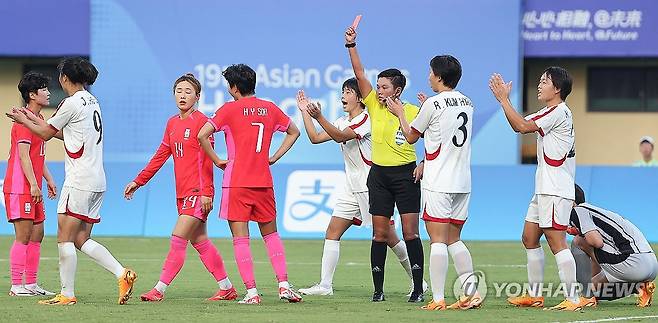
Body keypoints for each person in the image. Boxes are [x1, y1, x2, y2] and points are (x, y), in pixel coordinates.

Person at [5, 57, 137, 306]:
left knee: (64, 238)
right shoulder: (92, 101)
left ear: (65, 78)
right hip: (98, 180)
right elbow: (65, 134)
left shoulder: (70, 103)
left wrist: (24, 120)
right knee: (80, 239)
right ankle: (122, 274)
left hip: (78, 180)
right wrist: (32, 121)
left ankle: (66, 294)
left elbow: (46, 133)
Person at [295, 80, 423, 296]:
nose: (343, 96)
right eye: (342, 91)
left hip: (370, 185)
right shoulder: (343, 120)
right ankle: (325, 285)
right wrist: (305, 113)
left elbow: (339, 136)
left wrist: (319, 117)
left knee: (389, 236)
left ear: (360, 98)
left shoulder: (366, 120)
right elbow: (315, 138)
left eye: (348, 92)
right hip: (350, 186)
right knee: (332, 232)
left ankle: (419, 281)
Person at [124, 74, 236, 302]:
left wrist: (207, 192)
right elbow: (160, 156)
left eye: (188, 91)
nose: (182, 95)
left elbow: (207, 161)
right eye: (179, 91)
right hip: (182, 192)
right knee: (200, 242)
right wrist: (139, 180)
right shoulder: (172, 123)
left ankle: (159, 289)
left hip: (198, 192)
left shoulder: (203, 123)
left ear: (197, 96)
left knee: (178, 239)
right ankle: (227, 288)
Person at [197, 64, 302, 305]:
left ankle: (252, 293)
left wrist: (217, 161)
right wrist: (274, 156)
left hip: (237, 183)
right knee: (271, 235)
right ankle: (284, 285)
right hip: (263, 181)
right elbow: (294, 132)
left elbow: (202, 134)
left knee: (241, 239)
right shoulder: (270, 108)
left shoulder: (228, 110)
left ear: (234, 87)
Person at [489, 67, 592, 310]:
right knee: (529, 237)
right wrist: (504, 103)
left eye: (544, 81)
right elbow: (521, 123)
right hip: (544, 187)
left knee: (558, 243)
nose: (539, 84)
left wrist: (504, 100)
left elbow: (522, 128)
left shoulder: (559, 112)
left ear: (557, 89)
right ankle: (535, 295)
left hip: (555, 188)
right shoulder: (549, 111)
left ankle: (574, 298)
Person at [389, 55, 482, 310]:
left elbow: (409, 136)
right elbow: (444, 130)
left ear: (439, 76)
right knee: (455, 238)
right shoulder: (467, 102)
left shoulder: (433, 103)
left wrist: (400, 113)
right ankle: (471, 293)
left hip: (439, 180)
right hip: (462, 181)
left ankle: (438, 298)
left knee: (438, 240)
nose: (428, 76)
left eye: (431, 72)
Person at [344, 23, 425, 303]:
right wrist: (351, 45)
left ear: (398, 89)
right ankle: (378, 291)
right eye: (377, 86)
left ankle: (417, 288)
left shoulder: (414, 110)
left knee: (410, 232)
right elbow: (358, 73)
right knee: (379, 234)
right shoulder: (374, 106)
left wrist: (425, 162)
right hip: (378, 177)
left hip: (406, 177)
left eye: (384, 87)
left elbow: (430, 139)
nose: (378, 91)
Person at [4, 72, 57, 297]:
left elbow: (38, 156)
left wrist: (49, 179)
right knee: (23, 236)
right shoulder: (23, 120)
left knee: (38, 235)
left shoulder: (39, 121)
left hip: (33, 185)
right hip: (20, 186)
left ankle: (32, 284)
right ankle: (17, 285)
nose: (48, 92)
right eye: (43, 89)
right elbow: (24, 156)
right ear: (32, 95)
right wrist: (34, 185)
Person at [569, 184, 656, 308]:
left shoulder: (577, 210)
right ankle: (641, 287)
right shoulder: (594, 212)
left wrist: (580, 233)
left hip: (632, 262)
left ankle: (586, 296)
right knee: (595, 291)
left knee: (578, 242)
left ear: (570, 201)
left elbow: (596, 243)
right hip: (650, 264)